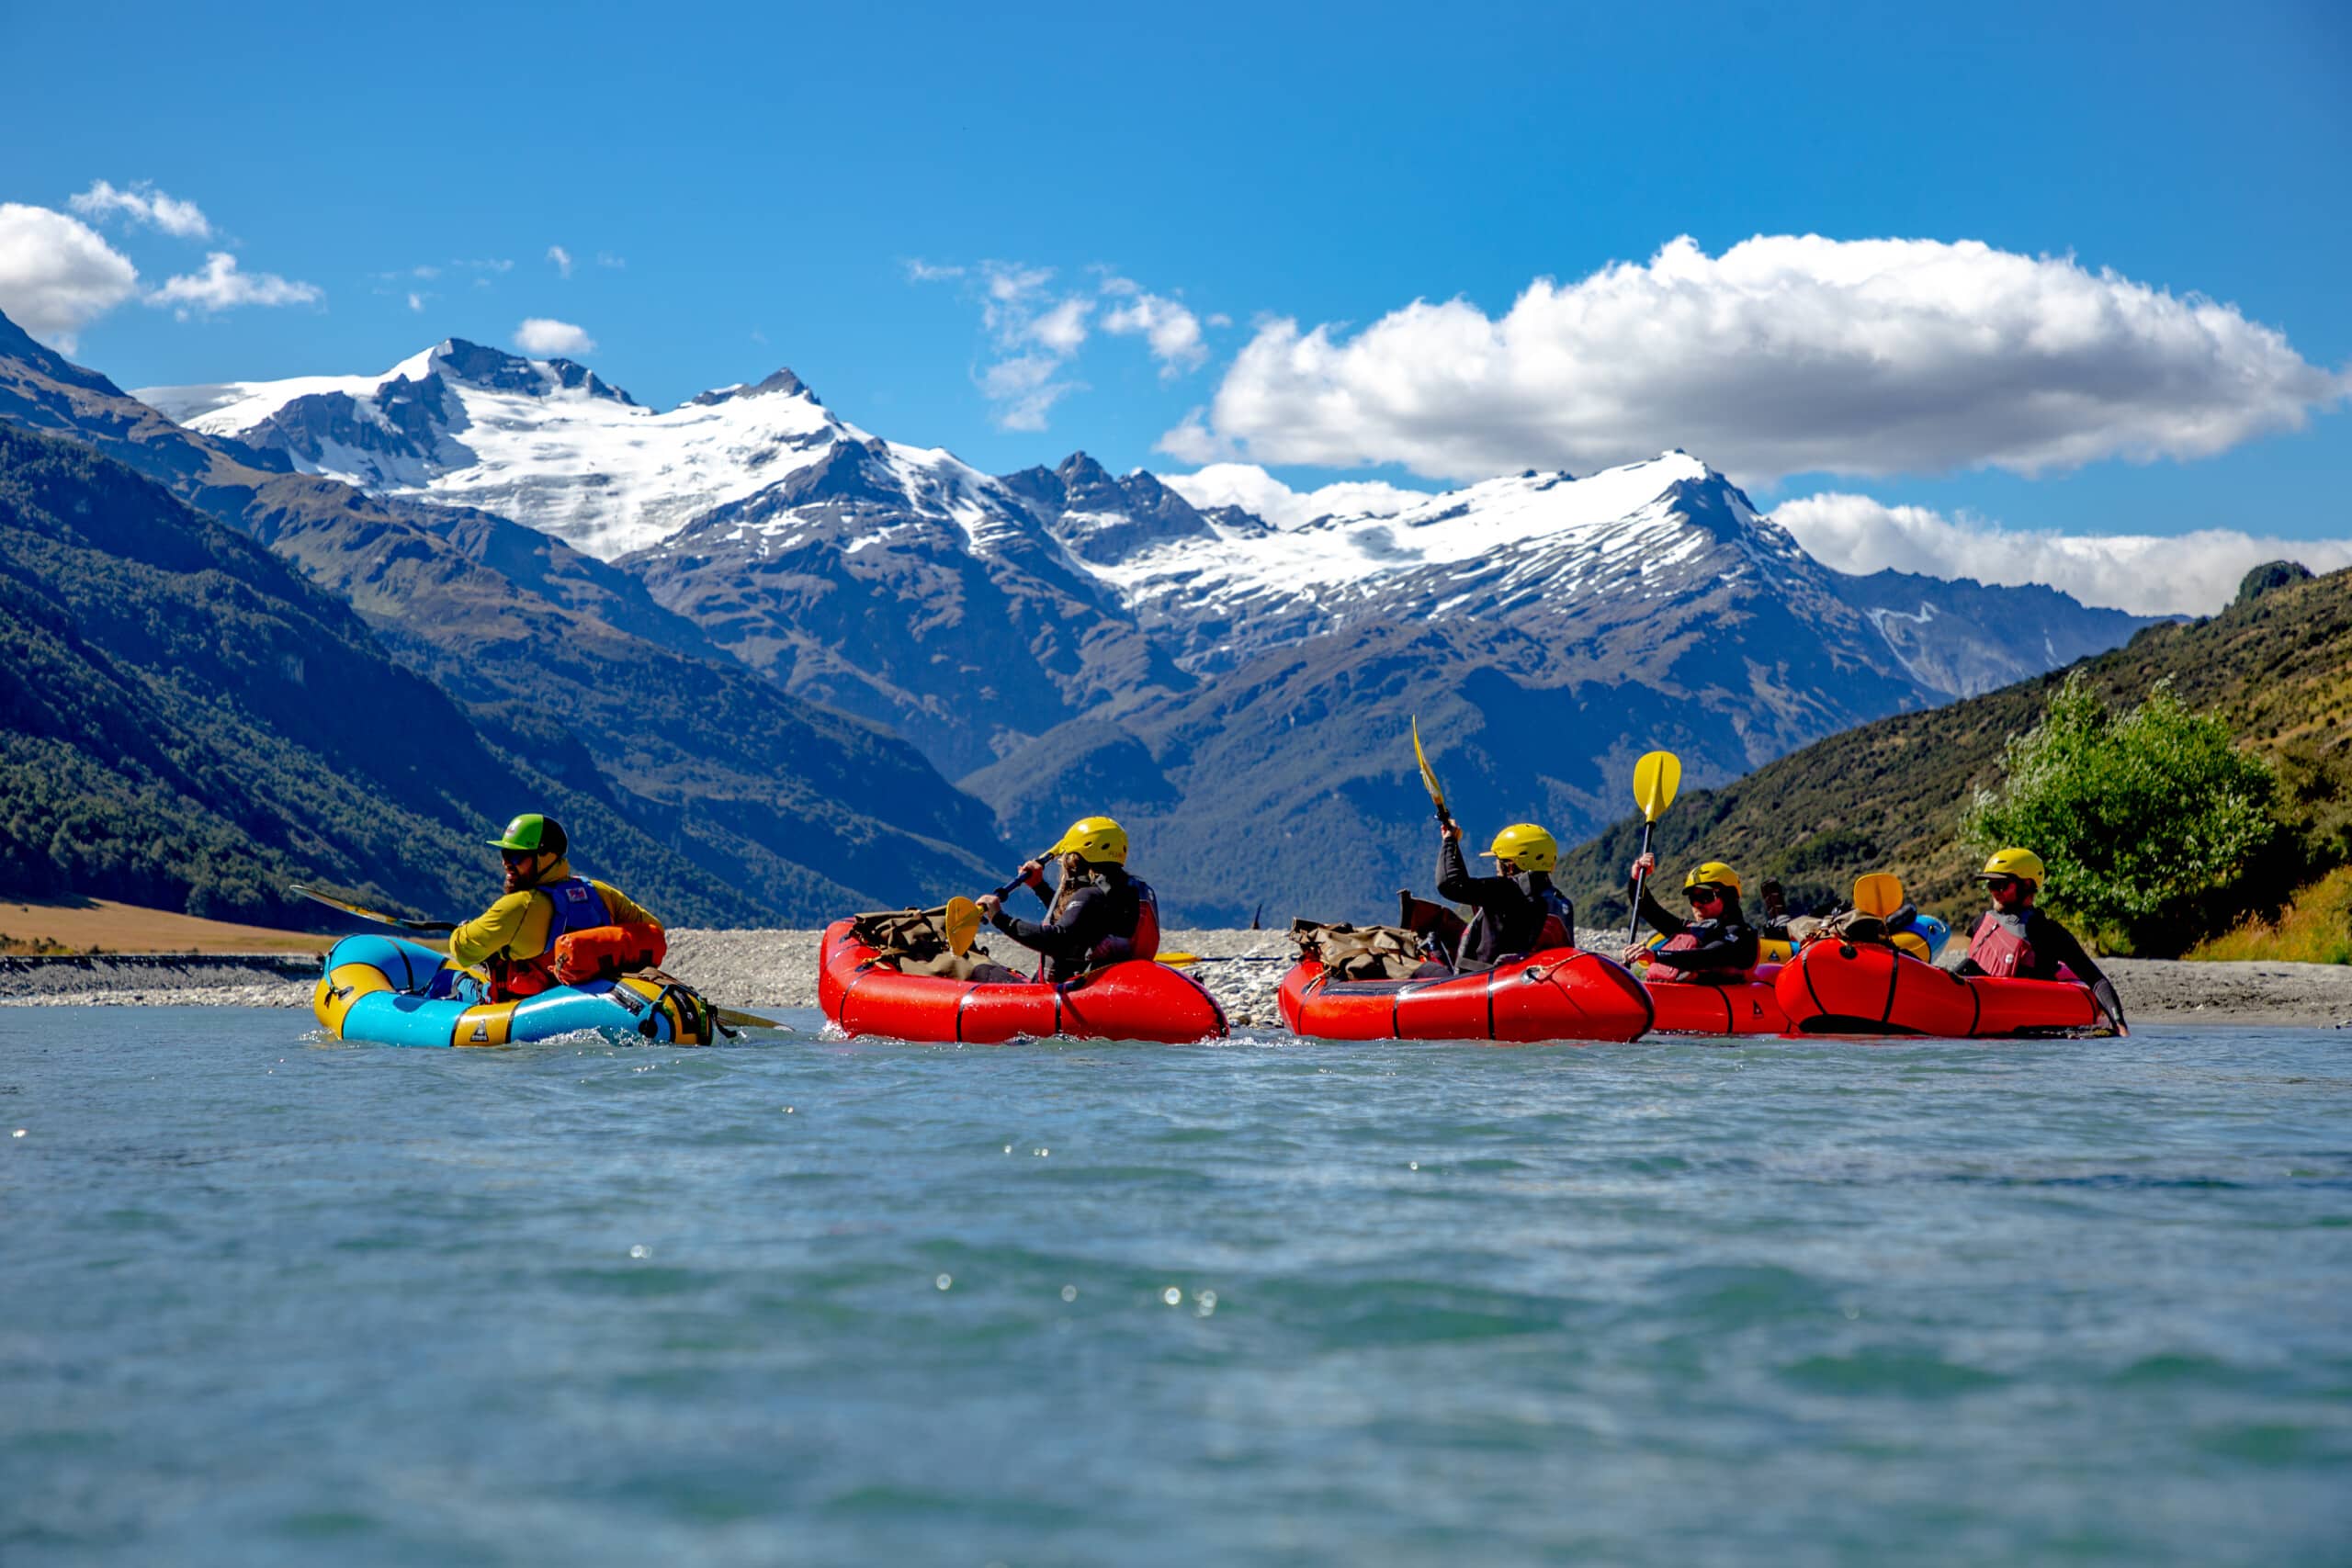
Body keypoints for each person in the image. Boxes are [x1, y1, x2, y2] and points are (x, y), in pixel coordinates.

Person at [449, 814, 667, 1001]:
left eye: (516, 856)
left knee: (449, 980)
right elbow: (653, 927)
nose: (506, 863)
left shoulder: (518, 906)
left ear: (546, 857)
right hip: (592, 996)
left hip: (522, 1004)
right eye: (504, 854)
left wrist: (460, 931)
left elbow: (463, 951)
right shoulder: (600, 892)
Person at [1955, 848, 2127, 1031]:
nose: (1994, 892)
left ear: (2027, 885)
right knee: (1968, 965)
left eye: (2002, 885)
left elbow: (2097, 981)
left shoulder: (2046, 931)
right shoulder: (1981, 922)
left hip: (2019, 1013)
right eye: (1991, 885)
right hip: (1975, 1003)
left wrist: (2120, 1025)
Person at [976, 815, 1160, 982]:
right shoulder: (1129, 892)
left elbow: (1057, 940)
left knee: (981, 970)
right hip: (1113, 986)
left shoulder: (1091, 896)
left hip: (1074, 993)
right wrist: (1039, 887)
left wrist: (999, 917)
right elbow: (1079, 921)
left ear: (1076, 859)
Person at [1433, 819, 1576, 971]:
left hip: (1486, 982)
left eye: (1498, 860)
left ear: (1511, 865)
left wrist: (1449, 840)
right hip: (1534, 982)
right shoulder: (1562, 903)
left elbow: (1450, 884)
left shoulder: (1505, 891)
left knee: (1422, 969)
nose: (1496, 865)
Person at [1620, 856, 1759, 983]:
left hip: (1714, 1006)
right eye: (1693, 898)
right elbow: (1648, 909)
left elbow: (1707, 956)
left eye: (1705, 897)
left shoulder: (1741, 936)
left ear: (1729, 897)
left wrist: (1655, 956)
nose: (1697, 904)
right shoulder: (1690, 929)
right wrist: (1637, 880)